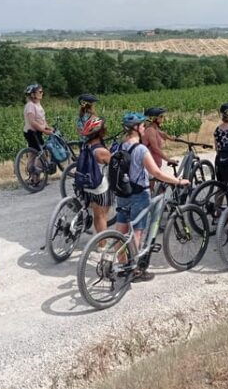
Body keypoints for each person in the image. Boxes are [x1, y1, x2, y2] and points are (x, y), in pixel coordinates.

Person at [115, 112, 190, 281]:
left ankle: (122, 265)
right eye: (142, 125)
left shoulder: (121, 146)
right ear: (136, 128)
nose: (144, 127)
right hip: (138, 194)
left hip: (122, 192)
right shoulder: (140, 149)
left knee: (121, 228)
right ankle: (134, 269)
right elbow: (156, 172)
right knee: (137, 231)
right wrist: (178, 181)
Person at [79, 116, 113, 233]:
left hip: (88, 185)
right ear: (100, 133)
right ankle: (102, 242)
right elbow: (113, 164)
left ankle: (98, 240)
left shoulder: (85, 146)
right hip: (100, 187)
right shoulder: (102, 151)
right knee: (102, 216)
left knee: (97, 215)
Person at [23, 83, 52, 151]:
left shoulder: (37, 104)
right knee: (40, 152)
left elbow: (42, 119)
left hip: (37, 132)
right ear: (33, 94)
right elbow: (32, 122)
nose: (42, 93)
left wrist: (48, 127)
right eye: (40, 92)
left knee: (36, 153)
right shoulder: (30, 105)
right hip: (32, 133)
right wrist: (44, 131)